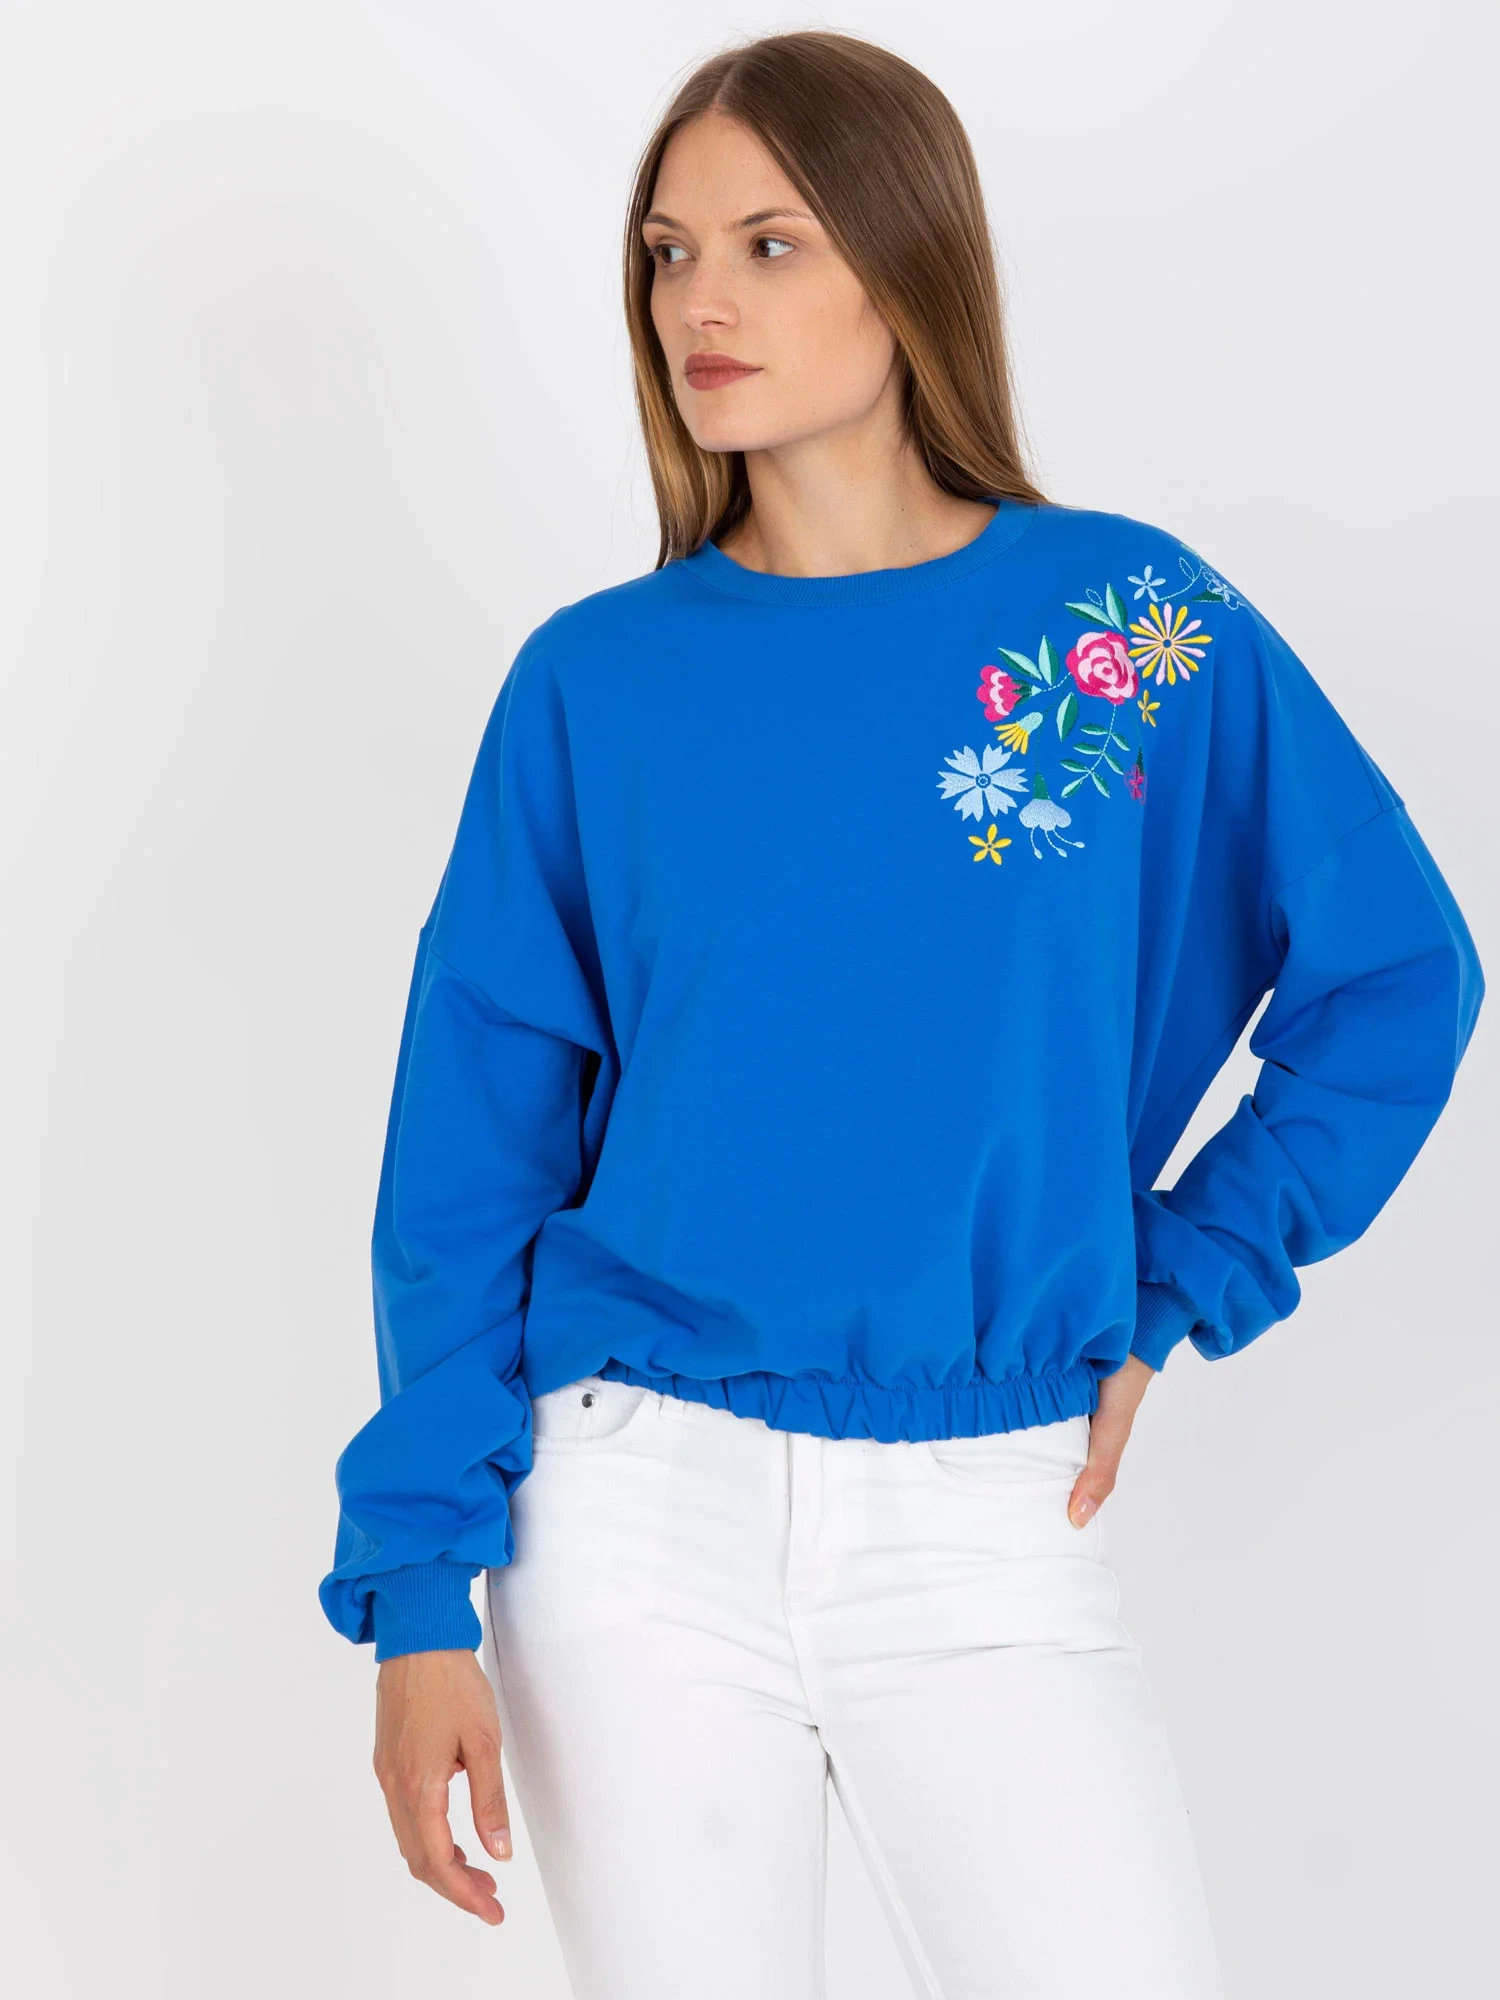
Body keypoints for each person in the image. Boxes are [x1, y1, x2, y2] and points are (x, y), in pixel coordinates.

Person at [317, 28, 1484, 2000]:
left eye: (769, 243)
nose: (700, 300)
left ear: (906, 258)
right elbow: (467, 1162)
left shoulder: (1129, 628)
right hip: (632, 1511)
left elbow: (1399, 977)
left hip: (989, 1512)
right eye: (669, 252)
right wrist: (422, 1585)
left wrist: (1182, 1275)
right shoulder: (595, 683)